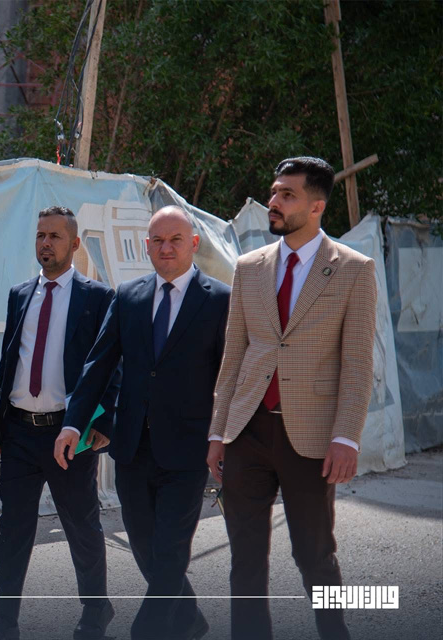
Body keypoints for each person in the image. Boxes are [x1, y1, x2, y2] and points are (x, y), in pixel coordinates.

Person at [206, 157, 377, 640]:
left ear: (316, 206)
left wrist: (347, 436)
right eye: (274, 192)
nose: (274, 202)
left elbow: (357, 363)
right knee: (245, 557)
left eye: (287, 195)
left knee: (314, 554)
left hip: (312, 437)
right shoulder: (249, 267)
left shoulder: (354, 269)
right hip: (247, 430)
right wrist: (218, 433)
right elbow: (234, 357)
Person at [59, 205, 230, 640]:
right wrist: (73, 424)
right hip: (132, 447)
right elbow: (98, 366)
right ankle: (189, 621)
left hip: (188, 449)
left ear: (193, 244)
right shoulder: (128, 297)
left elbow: (229, 378)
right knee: (145, 547)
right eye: (158, 240)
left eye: (175, 240)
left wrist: (225, 438)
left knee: (170, 549)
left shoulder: (220, 300)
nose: (166, 248)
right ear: (147, 246)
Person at [0, 207, 118, 640]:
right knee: (12, 533)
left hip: (68, 434)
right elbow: (10, 361)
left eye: (55, 236)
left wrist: (104, 422)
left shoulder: (97, 298)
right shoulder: (20, 294)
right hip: (19, 433)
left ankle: (95, 613)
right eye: (40, 235)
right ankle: (4, 623)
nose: (46, 243)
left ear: (74, 244)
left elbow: (111, 365)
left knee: (82, 527)